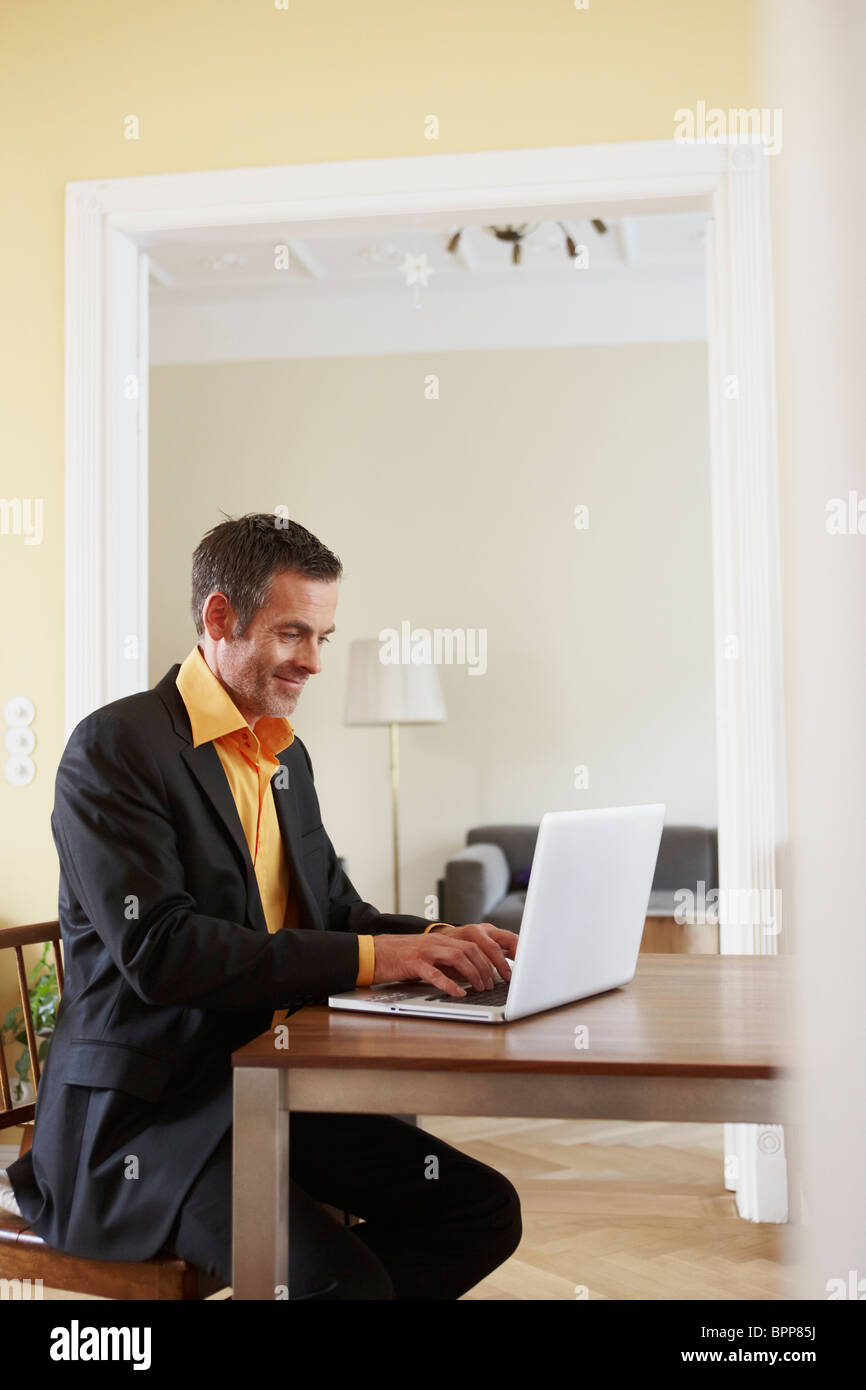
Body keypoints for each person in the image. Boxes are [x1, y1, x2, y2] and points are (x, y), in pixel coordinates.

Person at [6, 511, 522, 1299]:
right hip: (148, 1125)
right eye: (294, 634)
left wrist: (447, 939)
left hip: (268, 1091)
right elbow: (164, 953)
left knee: (482, 1212)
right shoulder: (115, 749)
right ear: (219, 617)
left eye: (323, 635)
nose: (314, 661)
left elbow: (337, 916)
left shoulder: (286, 754)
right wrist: (382, 958)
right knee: (343, 1284)